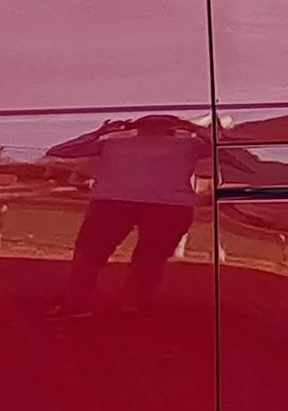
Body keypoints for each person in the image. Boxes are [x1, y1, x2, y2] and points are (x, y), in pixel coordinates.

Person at [48, 114, 208, 313]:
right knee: (148, 259)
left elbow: (60, 151)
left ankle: (81, 300)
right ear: (174, 127)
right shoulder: (190, 144)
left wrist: (99, 133)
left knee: (92, 255)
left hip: (116, 202)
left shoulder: (114, 143)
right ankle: (128, 302)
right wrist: (198, 129)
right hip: (163, 206)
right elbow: (228, 150)